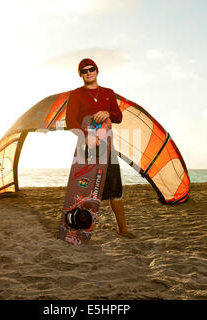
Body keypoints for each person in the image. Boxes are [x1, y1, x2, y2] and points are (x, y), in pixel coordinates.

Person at [65, 58, 135, 238]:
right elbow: (70, 122)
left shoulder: (108, 93)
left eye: (92, 69)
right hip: (85, 147)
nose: (88, 72)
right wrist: (85, 136)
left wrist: (108, 113)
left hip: (107, 148)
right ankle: (77, 227)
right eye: (84, 70)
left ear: (97, 71)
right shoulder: (76, 95)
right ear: (81, 74)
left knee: (115, 188)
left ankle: (123, 229)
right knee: (83, 189)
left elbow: (118, 117)